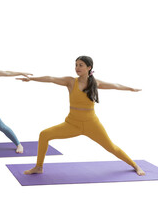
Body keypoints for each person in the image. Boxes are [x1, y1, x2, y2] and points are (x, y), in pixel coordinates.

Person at [17, 56, 145, 176]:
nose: (77, 68)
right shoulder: (71, 82)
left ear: (89, 67)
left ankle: (135, 165)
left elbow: (115, 86)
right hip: (72, 124)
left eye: (81, 65)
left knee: (111, 147)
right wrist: (32, 78)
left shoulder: (95, 83)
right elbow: (51, 78)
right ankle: (38, 167)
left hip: (92, 124)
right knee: (44, 135)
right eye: (76, 65)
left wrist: (130, 88)